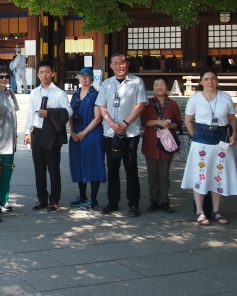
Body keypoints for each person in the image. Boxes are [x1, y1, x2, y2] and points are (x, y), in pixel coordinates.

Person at [181, 67, 237, 226]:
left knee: (217, 175)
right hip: (202, 139)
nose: (210, 82)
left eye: (213, 78)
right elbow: (188, 120)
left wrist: (234, 134)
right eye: (206, 79)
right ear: (201, 82)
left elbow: (232, 119)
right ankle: (200, 211)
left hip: (220, 139)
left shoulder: (225, 97)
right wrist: (196, 136)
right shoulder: (195, 99)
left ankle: (216, 211)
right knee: (201, 175)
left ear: (217, 80)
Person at [95, 52, 147, 217]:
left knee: (131, 168)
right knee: (112, 169)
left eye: (122, 62)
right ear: (111, 66)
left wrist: (124, 124)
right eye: (116, 63)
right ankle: (113, 202)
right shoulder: (106, 84)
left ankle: (133, 203)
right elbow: (101, 106)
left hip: (130, 132)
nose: (119, 66)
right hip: (110, 133)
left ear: (127, 64)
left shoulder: (137, 82)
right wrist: (111, 123)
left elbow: (140, 105)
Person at [24, 61, 72, 211]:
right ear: (37, 75)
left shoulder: (59, 93)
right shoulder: (34, 93)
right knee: (39, 168)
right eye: (41, 72)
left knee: (53, 168)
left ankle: (54, 199)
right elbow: (30, 112)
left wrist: (50, 112)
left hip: (51, 133)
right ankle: (41, 198)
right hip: (37, 131)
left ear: (52, 73)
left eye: (47, 72)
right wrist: (27, 131)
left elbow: (69, 112)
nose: (44, 75)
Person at [140, 77, 182, 213]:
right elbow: (144, 122)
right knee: (152, 174)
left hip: (167, 144)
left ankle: (164, 200)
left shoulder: (173, 104)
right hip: (151, 142)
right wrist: (159, 122)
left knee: (164, 174)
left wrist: (170, 125)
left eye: (162, 84)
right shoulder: (148, 104)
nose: (159, 87)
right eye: (156, 84)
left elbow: (178, 123)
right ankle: (153, 200)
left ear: (167, 87)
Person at [68, 68, 106, 211]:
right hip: (76, 135)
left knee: (93, 164)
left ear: (91, 79)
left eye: (86, 76)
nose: (83, 79)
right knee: (78, 164)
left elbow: (97, 118)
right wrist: (71, 131)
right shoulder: (75, 94)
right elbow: (70, 115)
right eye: (81, 76)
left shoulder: (95, 95)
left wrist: (84, 132)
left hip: (91, 134)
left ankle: (93, 198)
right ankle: (82, 195)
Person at [0, 65, 19, 213]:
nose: (4, 79)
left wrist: (15, 135)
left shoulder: (11, 94)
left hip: (9, 139)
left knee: (7, 172)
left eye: (7, 76)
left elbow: (14, 115)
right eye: (1, 76)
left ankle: (3, 199)